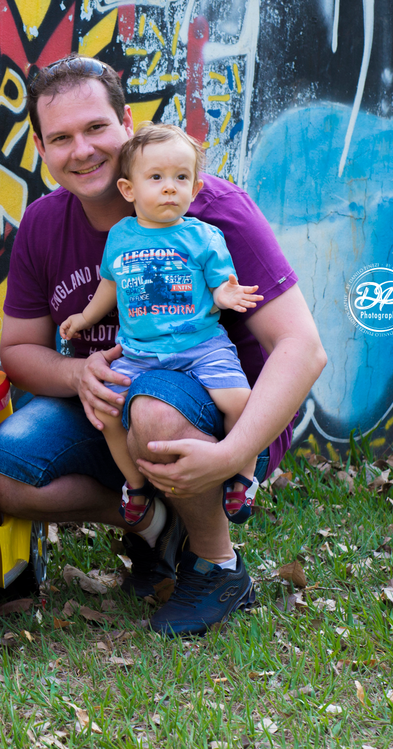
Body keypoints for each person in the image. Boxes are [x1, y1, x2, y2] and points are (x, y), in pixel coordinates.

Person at [0, 55, 326, 636]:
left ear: (127, 124)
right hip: (111, 403)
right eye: (60, 138)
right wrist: (77, 375)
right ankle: (157, 525)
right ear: (40, 148)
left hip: (221, 407)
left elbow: (302, 347)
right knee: (0, 472)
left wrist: (233, 454)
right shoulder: (43, 222)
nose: (82, 150)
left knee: (155, 410)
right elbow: (16, 350)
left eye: (96, 128)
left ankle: (216, 566)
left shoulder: (212, 213)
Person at [58, 123, 264, 528]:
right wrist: (85, 317)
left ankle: (242, 477)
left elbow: (221, 282)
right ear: (128, 189)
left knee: (241, 403)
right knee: (107, 410)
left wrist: (226, 295)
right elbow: (109, 284)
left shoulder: (204, 236)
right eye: (156, 178)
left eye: (181, 178)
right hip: (139, 353)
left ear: (196, 188)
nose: (170, 187)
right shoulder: (121, 236)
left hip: (201, 346)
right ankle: (135, 486)